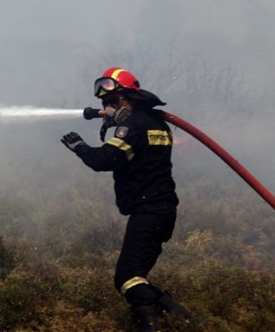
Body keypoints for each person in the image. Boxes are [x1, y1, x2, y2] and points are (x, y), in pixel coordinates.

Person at [60, 67, 189, 332]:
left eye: (114, 101)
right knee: (135, 276)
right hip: (160, 209)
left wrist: (78, 146)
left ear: (131, 97)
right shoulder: (156, 123)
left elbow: (103, 160)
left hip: (149, 210)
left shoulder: (133, 126)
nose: (108, 107)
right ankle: (189, 322)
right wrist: (115, 121)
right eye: (105, 104)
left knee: (127, 277)